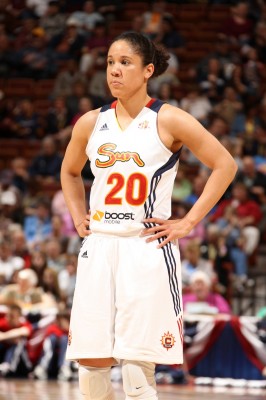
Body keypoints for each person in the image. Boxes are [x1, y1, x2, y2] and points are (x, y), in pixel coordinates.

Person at [60, 31, 237, 400]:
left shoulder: (169, 119)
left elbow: (225, 164)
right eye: (110, 62)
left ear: (148, 71)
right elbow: (70, 171)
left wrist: (188, 222)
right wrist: (79, 216)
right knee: (91, 369)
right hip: (100, 246)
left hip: (145, 248)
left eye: (125, 62)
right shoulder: (90, 123)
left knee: (137, 373)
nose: (115, 71)